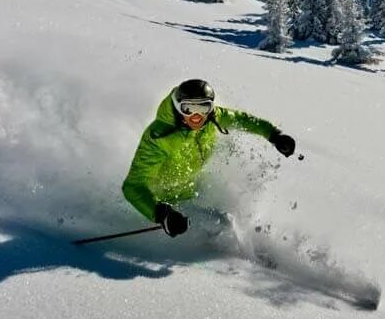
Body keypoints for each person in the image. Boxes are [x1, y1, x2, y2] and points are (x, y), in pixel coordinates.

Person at [122, 79, 296, 237]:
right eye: (188, 109)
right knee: (223, 225)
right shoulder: (159, 137)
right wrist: (162, 214)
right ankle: (237, 261)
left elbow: (242, 120)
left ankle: (260, 248)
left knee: (236, 216)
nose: (196, 117)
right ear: (177, 106)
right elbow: (133, 186)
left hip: (194, 189)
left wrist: (274, 135)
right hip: (167, 204)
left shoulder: (213, 118)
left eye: (203, 108)